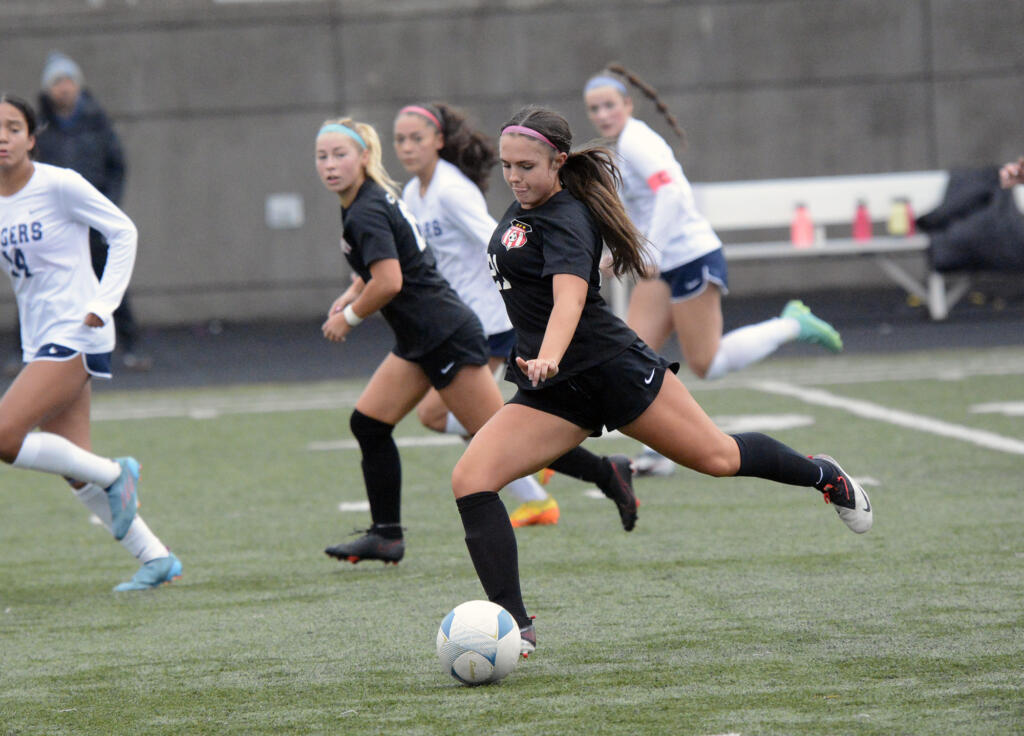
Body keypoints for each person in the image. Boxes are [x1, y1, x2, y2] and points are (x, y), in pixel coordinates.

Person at [450, 106, 872, 655]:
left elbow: (570, 298)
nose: (514, 177)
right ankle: (512, 625)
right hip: (553, 390)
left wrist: (549, 352)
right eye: (507, 166)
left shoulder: (568, 217)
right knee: (471, 480)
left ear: (557, 161)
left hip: (610, 369)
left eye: (526, 166)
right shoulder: (526, 205)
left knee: (719, 457)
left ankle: (824, 475)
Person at [315, 117, 638, 565]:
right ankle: (386, 534)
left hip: (445, 334)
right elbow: (381, 264)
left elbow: (389, 280)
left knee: (504, 436)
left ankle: (605, 472)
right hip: (419, 337)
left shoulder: (373, 205)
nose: (330, 165)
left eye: (340, 154)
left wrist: (348, 316)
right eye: (322, 156)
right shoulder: (367, 201)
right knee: (369, 423)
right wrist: (352, 293)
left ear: (365, 158)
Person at [583, 63, 843, 477]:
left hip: (690, 259)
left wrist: (651, 251)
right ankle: (657, 451)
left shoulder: (637, 141)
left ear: (628, 104)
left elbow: (672, 192)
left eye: (609, 105)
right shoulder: (623, 145)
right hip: (664, 263)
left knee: (707, 363)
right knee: (629, 357)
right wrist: (620, 254)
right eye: (594, 108)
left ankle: (792, 324)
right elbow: (644, 210)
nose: (601, 115)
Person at [393, 102, 631, 528]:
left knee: (471, 421)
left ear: (439, 142)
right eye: (400, 139)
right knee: (451, 417)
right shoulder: (414, 193)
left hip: (486, 321)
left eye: (417, 138)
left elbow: (502, 241)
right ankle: (571, 475)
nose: (407, 147)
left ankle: (547, 483)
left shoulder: (451, 189)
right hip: (454, 319)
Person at [0, 94, 180, 590]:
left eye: (13, 127)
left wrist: (104, 302)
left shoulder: (59, 184)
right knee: (73, 466)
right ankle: (156, 558)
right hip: (39, 339)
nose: (3, 137)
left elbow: (123, 231)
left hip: (79, 331)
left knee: (4, 435)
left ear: (32, 138)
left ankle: (117, 471)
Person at [33, 51, 150, 371]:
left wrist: (107, 206)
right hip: (54, 222)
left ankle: (131, 345)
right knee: (39, 281)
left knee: (110, 279)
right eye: (57, 82)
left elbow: (117, 165)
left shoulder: (97, 121)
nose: (64, 88)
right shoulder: (39, 128)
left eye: (69, 81)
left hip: (91, 219)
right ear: (48, 89)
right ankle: (29, 349)